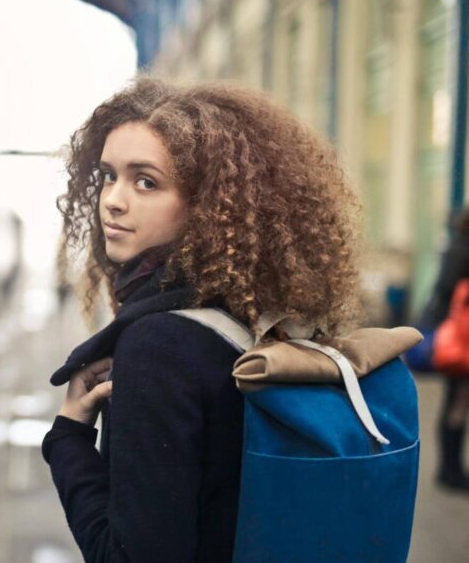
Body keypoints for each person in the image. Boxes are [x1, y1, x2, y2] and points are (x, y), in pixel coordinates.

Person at [41, 77, 363, 562]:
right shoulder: (242, 315)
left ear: (206, 207)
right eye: (109, 175)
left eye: (145, 181)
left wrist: (68, 438)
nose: (112, 199)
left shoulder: (158, 347)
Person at [423, 209, 469, 491]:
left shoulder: (454, 248)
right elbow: (451, 292)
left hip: (455, 336)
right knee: (457, 404)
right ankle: (451, 470)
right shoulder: (463, 253)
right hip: (462, 341)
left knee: (455, 402)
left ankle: (448, 468)